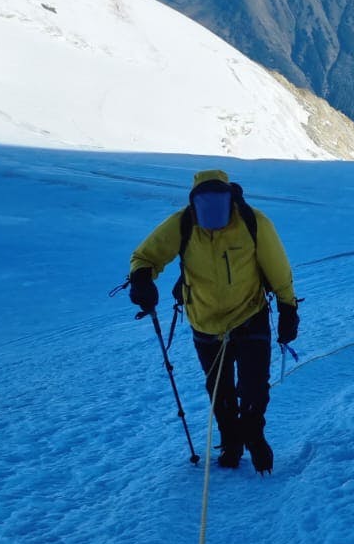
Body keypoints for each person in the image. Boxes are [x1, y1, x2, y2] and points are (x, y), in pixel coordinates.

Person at [128, 169, 299, 473]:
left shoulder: (251, 222)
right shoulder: (183, 224)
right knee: (222, 392)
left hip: (247, 316)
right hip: (208, 323)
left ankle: (252, 435)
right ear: (195, 204)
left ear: (230, 200)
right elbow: (146, 256)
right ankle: (232, 440)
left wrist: (288, 307)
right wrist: (141, 276)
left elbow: (276, 267)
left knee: (252, 388)